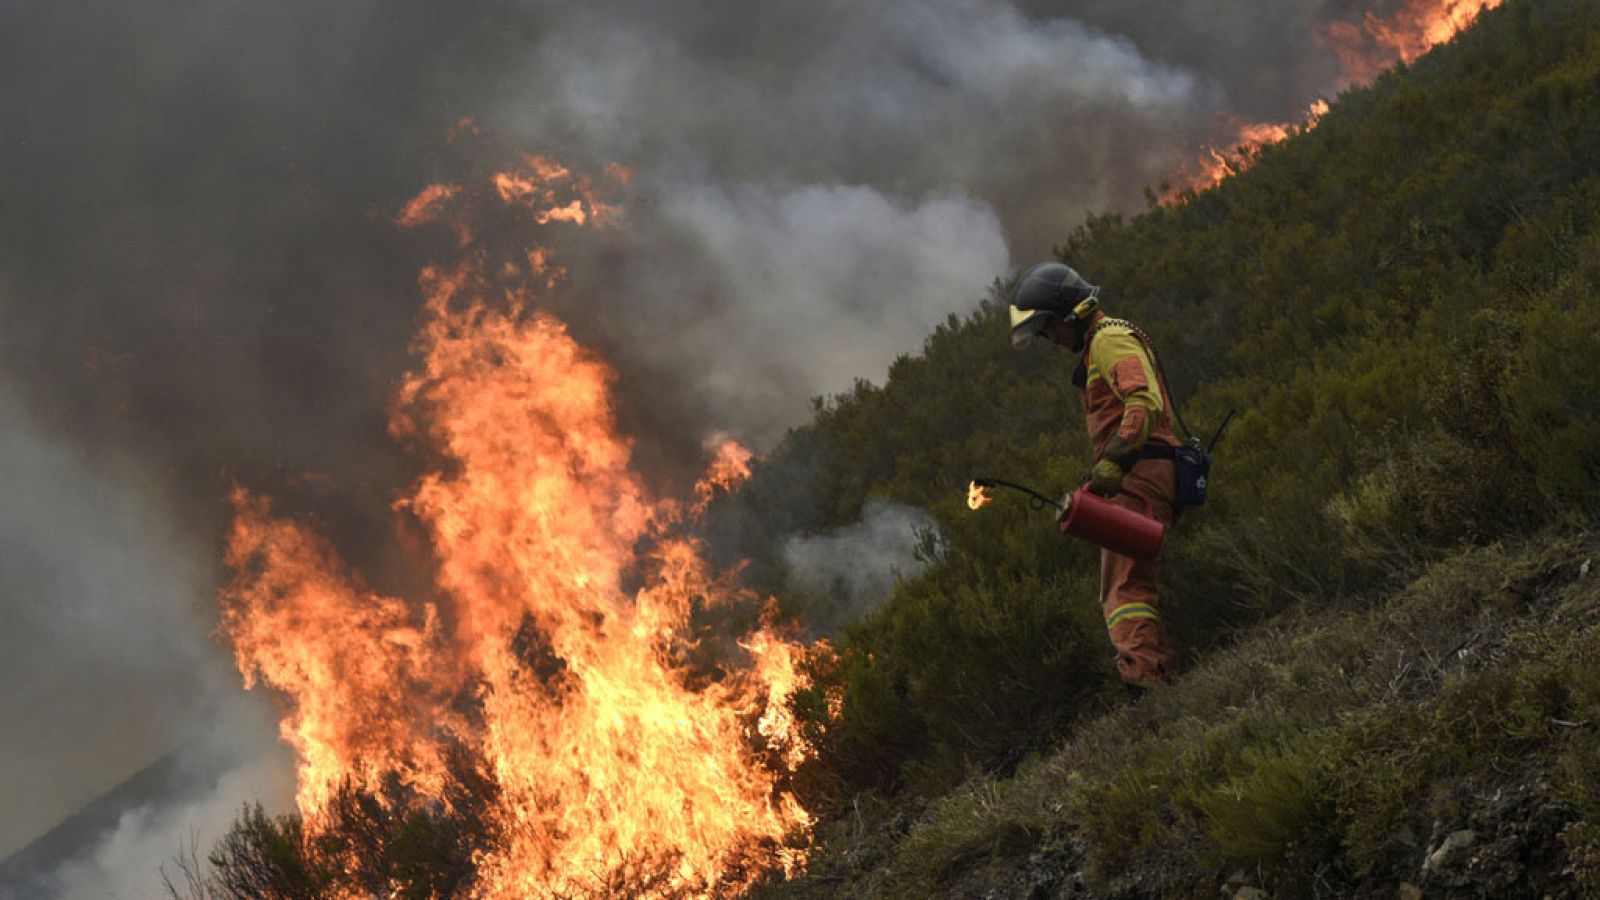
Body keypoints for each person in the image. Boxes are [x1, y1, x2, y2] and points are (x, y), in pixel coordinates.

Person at [1008, 261, 1180, 690]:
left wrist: (1115, 460)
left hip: (1139, 472)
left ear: (1069, 313)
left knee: (1124, 589)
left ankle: (1148, 684)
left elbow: (1142, 400)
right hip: (1138, 471)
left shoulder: (1109, 340)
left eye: (1048, 327)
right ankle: (1156, 673)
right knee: (1127, 582)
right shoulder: (1102, 343)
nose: (1049, 338)